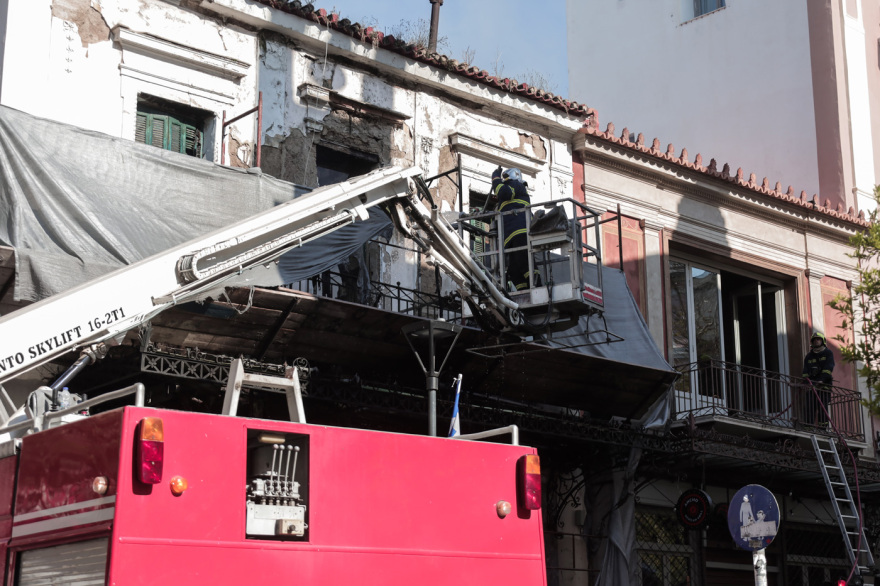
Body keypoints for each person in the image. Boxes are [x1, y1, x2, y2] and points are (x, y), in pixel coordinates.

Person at [488, 166, 539, 291]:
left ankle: (537, 286)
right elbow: (497, 217)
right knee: (513, 270)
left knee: (524, 262)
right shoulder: (506, 201)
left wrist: (495, 178)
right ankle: (523, 290)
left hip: (520, 232)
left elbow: (504, 192)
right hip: (510, 237)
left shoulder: (516, 185)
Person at [802, 332, 835, 425]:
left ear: (822, 341)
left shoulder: (828, 353)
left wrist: (822, 380)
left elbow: (828, 368)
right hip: (811, 387)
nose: (816, 341)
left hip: (824, 387)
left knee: (822, 408)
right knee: (809, 408)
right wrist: (805, 383)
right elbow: (805, 371)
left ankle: (823, 429)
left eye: (818, 339)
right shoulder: (809, 356)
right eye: (814, 340)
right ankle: (809, 428)